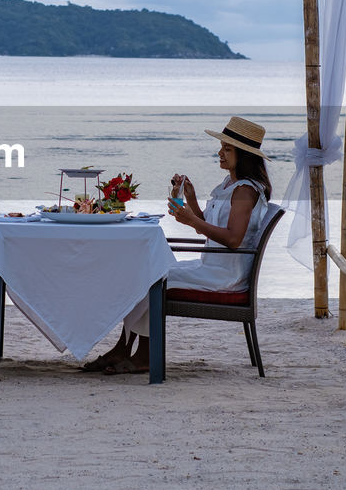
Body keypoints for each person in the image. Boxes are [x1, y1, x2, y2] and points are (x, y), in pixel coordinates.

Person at [84, 116, 275, 374]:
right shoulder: (230, 185)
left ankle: (142, 354)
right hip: (213, 265)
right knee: (146, 272)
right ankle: (125, 348)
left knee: (151, 277)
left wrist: (190, 217)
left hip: (224, 276)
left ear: (244, 155)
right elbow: (208, 226)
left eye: (227, 149)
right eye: (222, 147)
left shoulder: (244, 191)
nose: (219, 153)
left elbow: (232, 239)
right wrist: (191, 202)